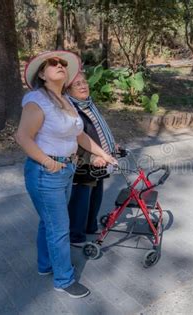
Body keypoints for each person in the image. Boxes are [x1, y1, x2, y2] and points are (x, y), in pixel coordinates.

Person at [15, 50, 116, 299]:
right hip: (45, 172)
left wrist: (103, 153)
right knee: (60, 227)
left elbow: (79, 135)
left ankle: (45, 265)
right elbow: (22, 137)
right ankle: (64, 279)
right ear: (42, 73)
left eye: (63, 63)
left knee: (48, 222)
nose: (60, 65)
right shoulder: (36, 100)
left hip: (65, 170)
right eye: (53, 63)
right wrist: (47, 162)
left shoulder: (65, 100)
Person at [66, 72, 119, 247]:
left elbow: (98, 128)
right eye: (77, 84)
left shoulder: (88, 104)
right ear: (67, 89)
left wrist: (111, 146)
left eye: (84, 82)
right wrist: (92, 156)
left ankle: (89, 227)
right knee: (81, 200)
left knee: (95, 197)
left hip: (100, 161)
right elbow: (74, 139)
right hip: (84, 162)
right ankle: (75, 235)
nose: (83, 86)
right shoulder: (71, 109)